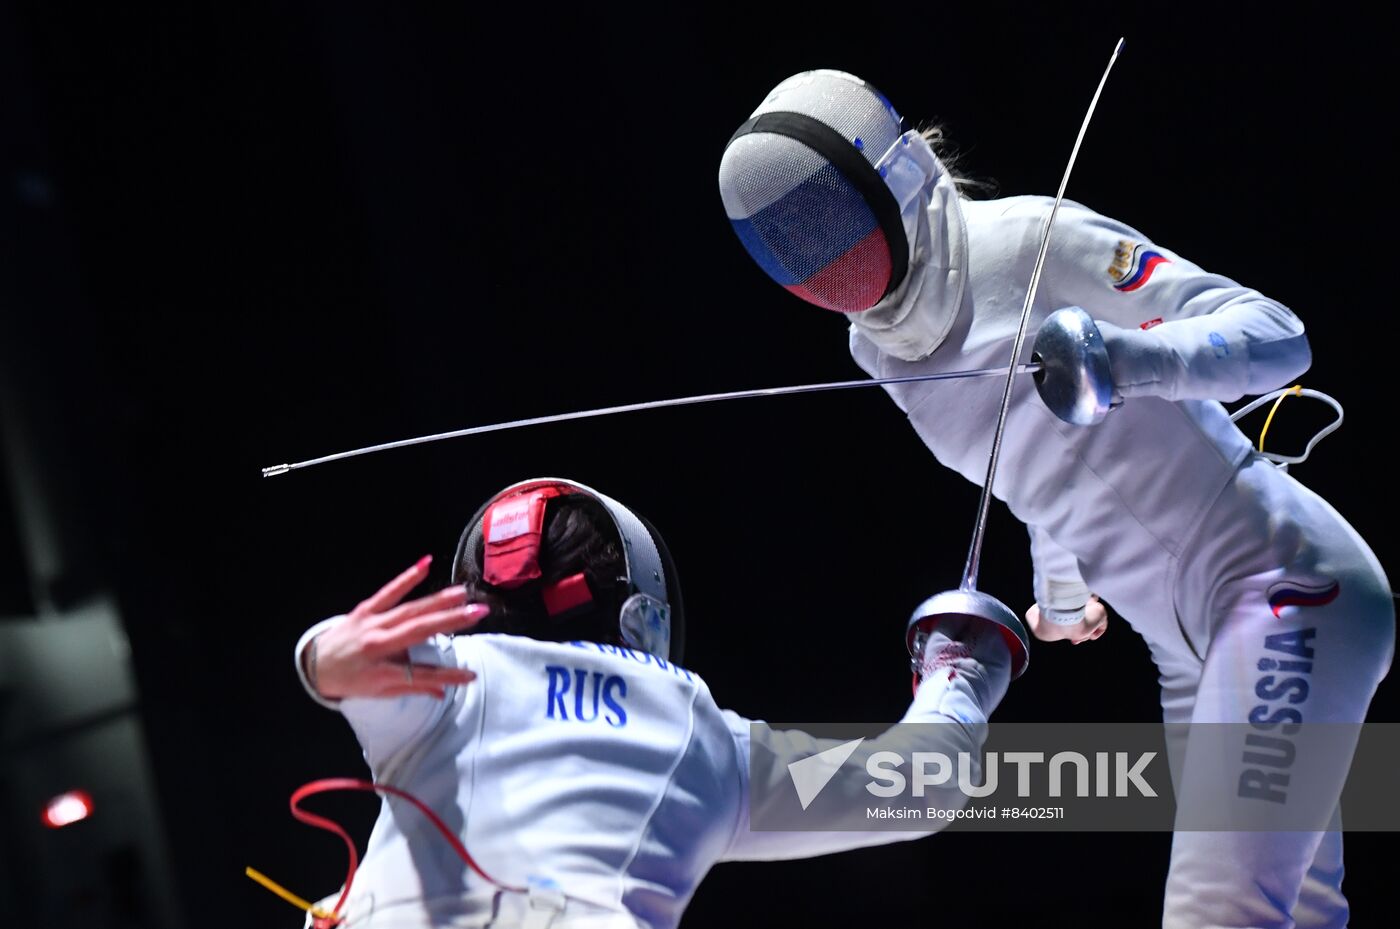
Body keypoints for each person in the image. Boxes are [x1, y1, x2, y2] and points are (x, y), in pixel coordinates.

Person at [718, 69, 1395, 928]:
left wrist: (1125, 360)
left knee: (1221, 912)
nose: (824, 258)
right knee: (1299, 910)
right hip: (1188, 648)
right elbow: (1029, 464)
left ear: (890, 177)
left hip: (1286, 589)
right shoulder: (879, 353)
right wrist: (1062, 593)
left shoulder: (1032, 240)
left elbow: (1278, 335)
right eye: (796, 245)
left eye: (826, 221)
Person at [293, 477, 1017, 929]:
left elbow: (345, 659)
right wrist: (962, 668)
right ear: (642, 615)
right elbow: (921, 782)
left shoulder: (450, 677)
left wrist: (324, 657)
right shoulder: (695, 730)